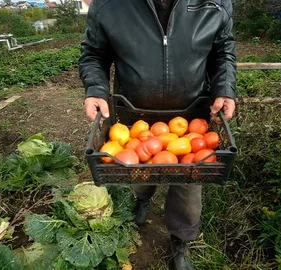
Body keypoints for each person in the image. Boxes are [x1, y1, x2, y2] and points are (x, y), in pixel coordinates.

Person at [80, 0, 237, 269]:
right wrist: (95, 88)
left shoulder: (215, 3)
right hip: (134, 116)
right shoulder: (109, 5)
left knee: (188, 182)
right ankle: (142, 198)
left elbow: (223, 52)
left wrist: (224, 88)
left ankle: (181, 239)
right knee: (138, 168)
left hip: (190, 115)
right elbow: (94, 54)